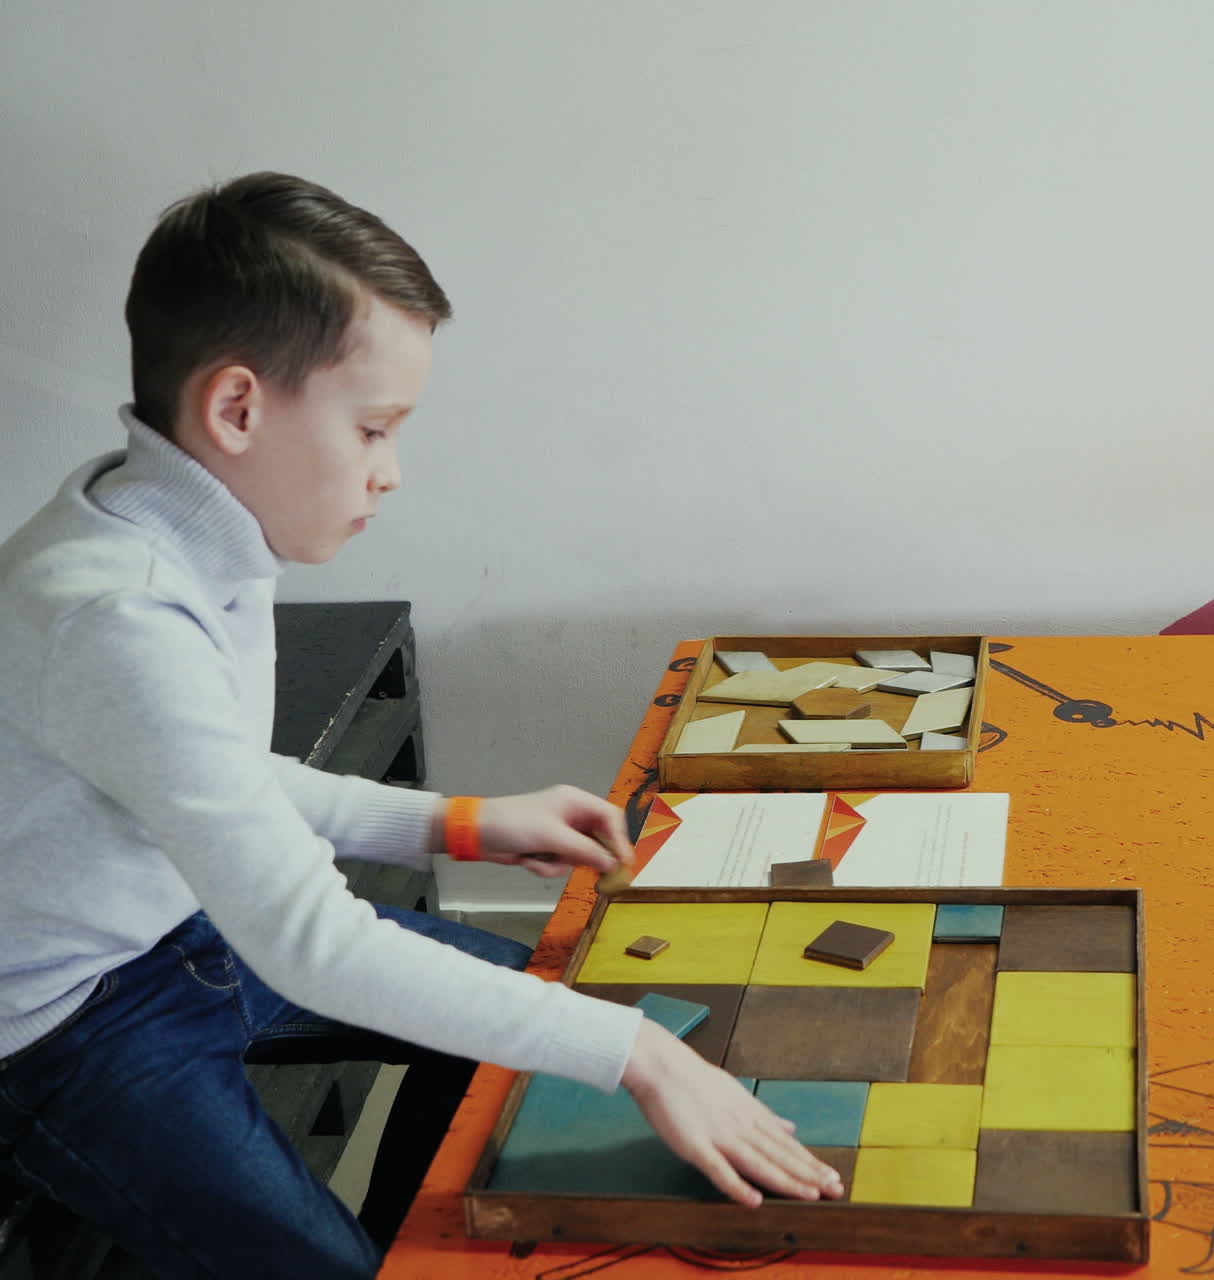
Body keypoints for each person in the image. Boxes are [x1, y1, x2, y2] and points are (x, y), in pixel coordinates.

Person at [0, 172, 843, 1279]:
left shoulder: (178, 518)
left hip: (182, 926)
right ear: (238, 409)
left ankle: (412, 1212)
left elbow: (215, 783)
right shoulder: (114, 612)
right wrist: (633, 1054)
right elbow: (312, 941)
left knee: (535, 1045)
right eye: (374, 429)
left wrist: (455, 822)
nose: (391, 473)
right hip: (64, 1023)